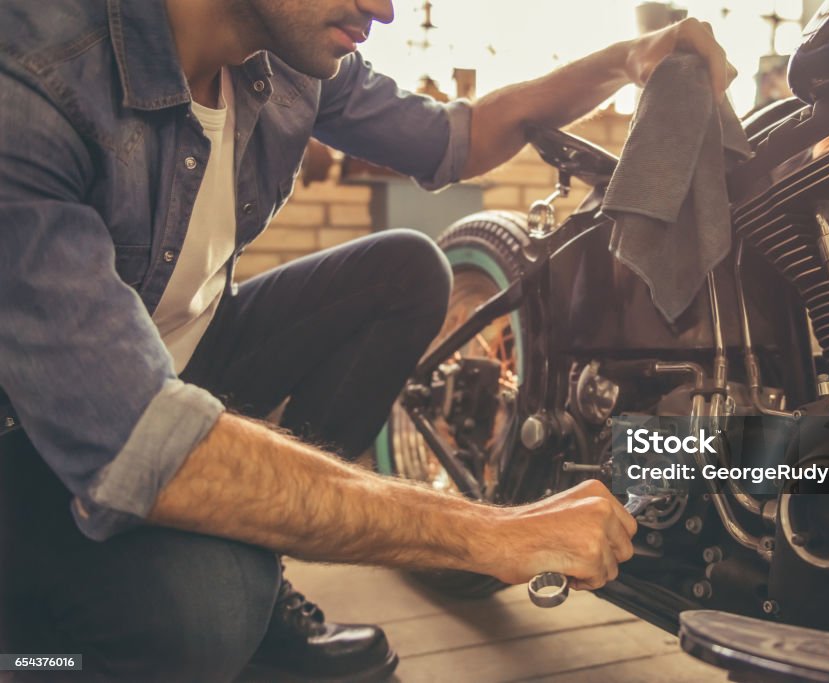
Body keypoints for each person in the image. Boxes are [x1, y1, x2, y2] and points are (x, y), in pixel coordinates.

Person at [0, 1, 733, 680]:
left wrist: (630, 58)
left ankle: (250, 545)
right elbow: (138, 437)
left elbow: (460, 137)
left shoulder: (281, 55)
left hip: (180, 362)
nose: (384, 8)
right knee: (209, 612)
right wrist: (494, 532)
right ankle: (30, 646)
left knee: (408, 269)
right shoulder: (33, 83)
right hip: (37, 432)